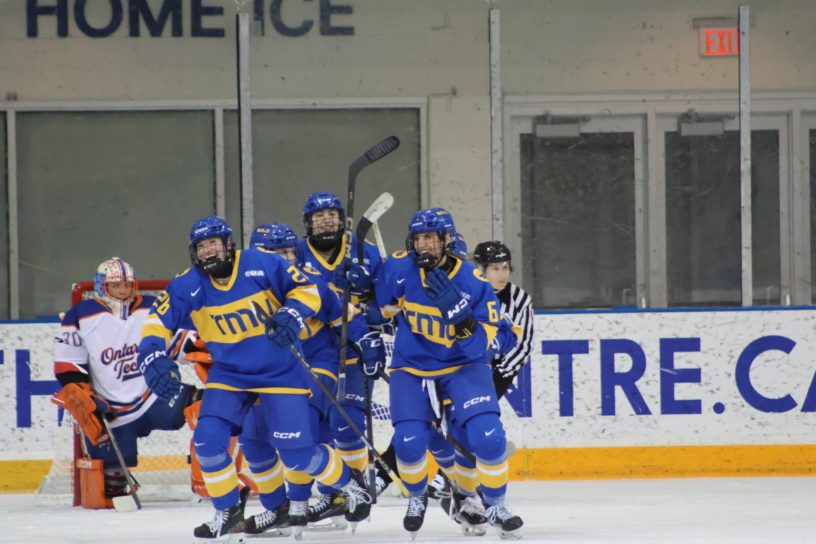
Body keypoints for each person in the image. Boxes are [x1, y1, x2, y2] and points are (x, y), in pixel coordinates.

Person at [137, 215, 371, 541]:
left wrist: (292, 312)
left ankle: (351, 484)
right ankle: (228, 513)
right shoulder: (187, 284)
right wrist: (152, 356)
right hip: (230, 375)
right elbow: (156, 324)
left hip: (279, 372)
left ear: (228, 244)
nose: (208, 251)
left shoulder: (262, 264)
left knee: (298, 454)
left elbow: (308, 290)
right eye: (201, 246)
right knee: (208, 442)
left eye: (213, 243)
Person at [369, 208, 524, 538]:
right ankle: (417, 496)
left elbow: (482, 345)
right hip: (412, 366)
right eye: (419, 238)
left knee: (487, 437)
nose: (424, 245)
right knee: (409, 445)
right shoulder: (400, 268)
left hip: (461, 366)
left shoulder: (473, 283)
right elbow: (378, 307)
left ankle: (492, 502)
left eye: (431, 238)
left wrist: (463, 322)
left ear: (447, 240)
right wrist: (364, 292)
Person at [248, 223, 382, 533]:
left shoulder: (309, 283)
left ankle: (302, 501)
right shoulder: (246, 290)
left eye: (287, 252)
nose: (283, 259)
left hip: (315, 365)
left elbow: (346, 315)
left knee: (300, 428)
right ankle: (279, 507)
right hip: (269, 372)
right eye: (273, 253)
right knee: (252, 436)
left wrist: (366, 340)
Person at [51, 257, 197, 509]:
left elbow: (182, 342)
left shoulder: (152, 307)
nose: (123, 290)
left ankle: (206, 481)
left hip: (155, 395)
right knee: (112, 492)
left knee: (205, 406)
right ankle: (119, 480)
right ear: (101, 286)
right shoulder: (80, 316)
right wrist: (85, 394)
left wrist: (203, 347)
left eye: (128, 285)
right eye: (116, 285)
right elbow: (68, 365)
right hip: (111, 409)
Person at [297, 192, 384, 480]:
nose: (325, 222)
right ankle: (329, 494)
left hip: (354, 349)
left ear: (341, 221)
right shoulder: (295, 253)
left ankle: (354, 488)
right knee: (314, 427)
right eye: (318, 217)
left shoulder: (365, 253)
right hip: (313, 352)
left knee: (347, 424)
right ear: (308, 223)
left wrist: (363, 293)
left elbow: (384, 305)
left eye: (331, 215)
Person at [472, 241, 534, 400]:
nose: (503, 274)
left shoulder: (520, 299)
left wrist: (497, 376)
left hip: (499, 373)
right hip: (464, 369)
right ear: (481, 270)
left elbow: (524, 345)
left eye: (505, 267)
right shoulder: (468, 293)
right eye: (495, 268)